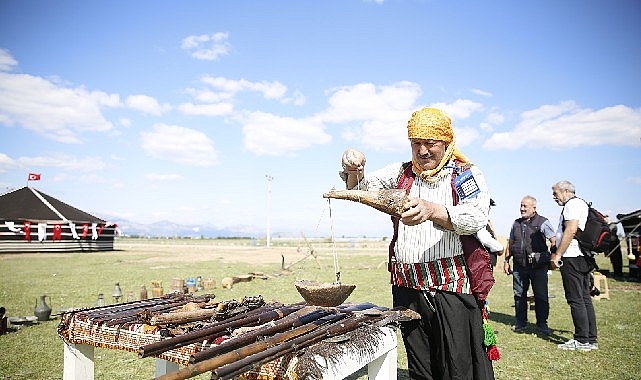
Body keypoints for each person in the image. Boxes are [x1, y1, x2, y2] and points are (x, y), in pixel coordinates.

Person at [340, 107, 495, 380]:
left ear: (446, 143)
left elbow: (476, 217)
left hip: (449, 290)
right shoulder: (401, 173)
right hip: (408, 289)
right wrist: (354, 169)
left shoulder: (464, 175)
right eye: (416, 143)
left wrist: (433, 210)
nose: (422, 151)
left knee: (457, 366)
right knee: (421, 367)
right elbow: (361, 189)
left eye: (430, 143)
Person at [550, 180, 598, 351]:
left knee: (575, 299)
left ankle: (581, 340)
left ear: (565, 191)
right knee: (584, 298)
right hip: (583, 257)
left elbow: (571, 230)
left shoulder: (572, 205)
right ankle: (590, 339)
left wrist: (558, 254)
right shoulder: (582, 203)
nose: (554, 197)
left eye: (555, 193)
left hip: (571, 257)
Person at [502, 195, 556, 335]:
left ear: (534, 208)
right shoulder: (516, 223)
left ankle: (542, 324)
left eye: (525, 206)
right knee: (519, 295)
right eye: (521, 205)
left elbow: (554, 240)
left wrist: (552, 258)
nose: (522, 208)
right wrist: (506, 260)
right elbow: (511, 242)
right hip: (519, 266)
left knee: (541, 296)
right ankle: (520, 323)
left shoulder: (543, 222)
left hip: (538, 267)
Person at [477, 199, 503, 271]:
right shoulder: (479, 220)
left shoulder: (485, 220)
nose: (489, 209)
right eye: (488, 206)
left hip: (485, 262)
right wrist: (499, 248)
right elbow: (484, 239)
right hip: (483, 262)